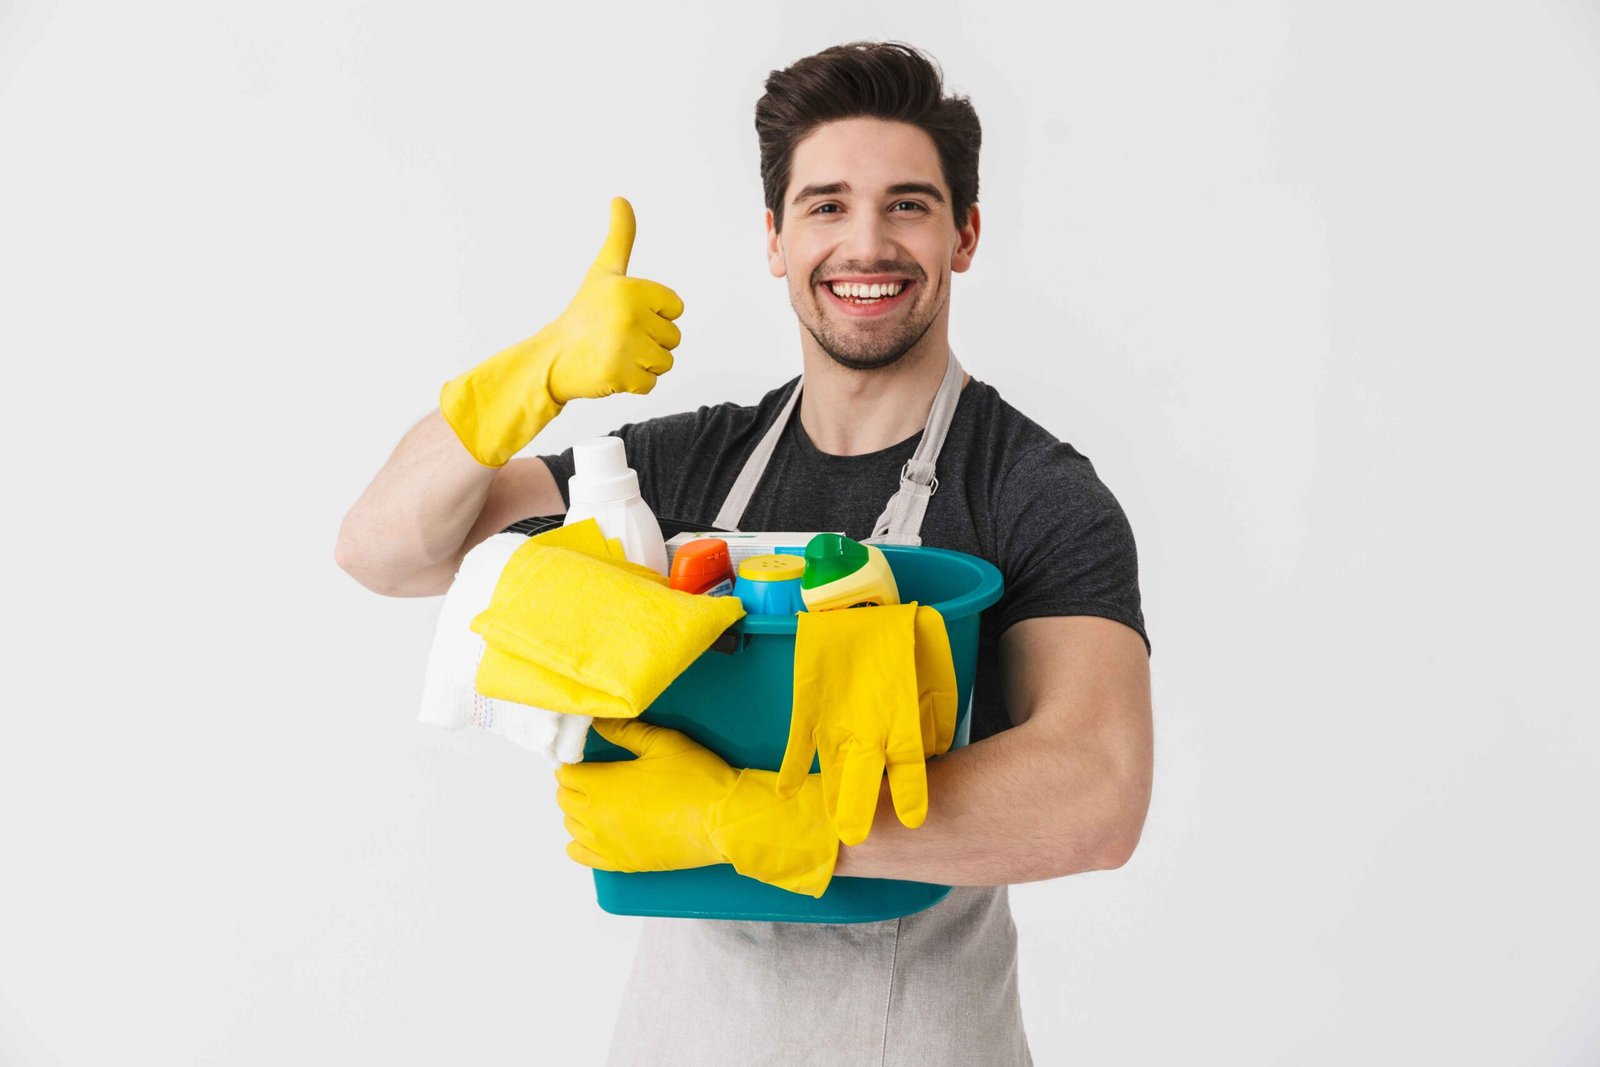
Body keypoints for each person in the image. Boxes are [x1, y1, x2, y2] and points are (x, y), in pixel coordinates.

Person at [337, 40, 1153, 1066]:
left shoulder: (1030, 488)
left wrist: (748, 819)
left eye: (907, 204)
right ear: (774, 238)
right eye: (824, 206)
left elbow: (1097, 792)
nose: (867, 242)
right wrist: (529, 377)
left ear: (964, 234)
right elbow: (386, 552)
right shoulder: (684, 469)